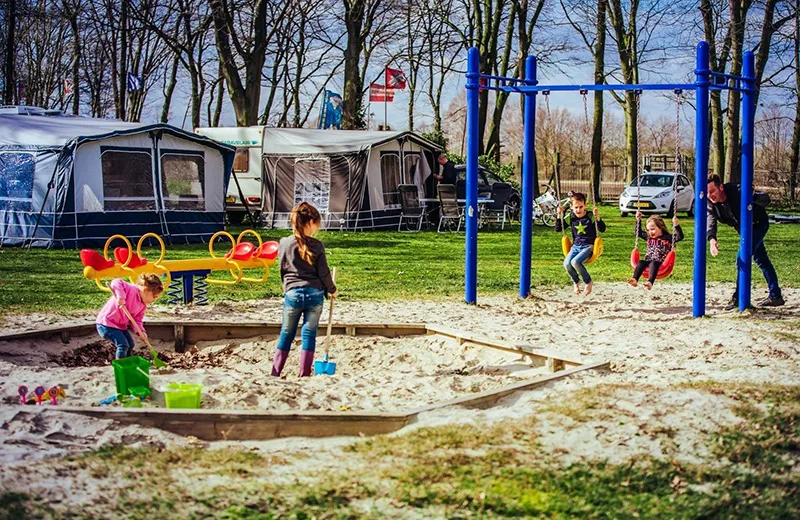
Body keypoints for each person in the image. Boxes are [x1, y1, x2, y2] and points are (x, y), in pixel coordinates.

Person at [272, 202, 338, 377]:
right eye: (317, 223)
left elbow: (283, 269)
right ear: (310, 223)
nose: (318, 228)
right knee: (309, 334)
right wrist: (332, 289)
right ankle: (304, 373)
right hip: (314, 294)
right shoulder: (317, 245)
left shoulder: (284, 243)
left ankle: (276, 371)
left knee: (286, 333)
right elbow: (323, 273)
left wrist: (287, 288)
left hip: (293, 293)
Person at [706, 174, 783, 310]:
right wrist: (712, 239)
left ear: (721, 187)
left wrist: (753, 197)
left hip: (758, 224)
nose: (710, 195)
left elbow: (766, 199)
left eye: (712, 191)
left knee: (741, 258)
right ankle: (775, 296)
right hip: (743, 229)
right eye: (707, 192)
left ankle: (738, 298)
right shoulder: (711, 204)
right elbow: (710, 220)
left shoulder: (737, 190)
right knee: (761, 259)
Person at [96, 273, 164, 359]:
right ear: (146, 290)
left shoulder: (142, 306)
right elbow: (116, 282)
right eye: (154, 296)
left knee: (130, 345)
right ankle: (121, 365)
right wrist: (121, 297)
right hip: (106, 323)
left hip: (120, 327)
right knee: (123, 345)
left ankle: (128, 362)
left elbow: (137, 320)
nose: (154, 300)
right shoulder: (131, 289)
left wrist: (141, 331)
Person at [556, 192, 606, 295]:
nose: (578, 210)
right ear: (571, 207)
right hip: (575, 247)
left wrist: (598, 217)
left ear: (585, 206)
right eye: (576, 207)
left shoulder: (590, 216)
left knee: (575, 262)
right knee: (566, 263)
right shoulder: (571, 217)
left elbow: (602, 229)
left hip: (588, 247)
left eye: (581, 207)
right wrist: (559, 215)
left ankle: (588, 282)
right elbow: (558, 229)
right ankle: (576, 281)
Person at [628, 212, 683, 290]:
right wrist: (638, 220)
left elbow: (680, 237)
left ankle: (650, 282)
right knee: (640, 262)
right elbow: (638, 232)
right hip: (648, 261)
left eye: (652, 229)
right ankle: (635, 279)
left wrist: (676, 225)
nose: (650, 232)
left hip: (660, 263)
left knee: (653, 263)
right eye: (648, 230)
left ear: (660, 228)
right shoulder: (648, 237)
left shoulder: (667, 238)